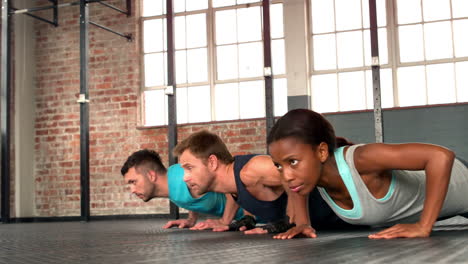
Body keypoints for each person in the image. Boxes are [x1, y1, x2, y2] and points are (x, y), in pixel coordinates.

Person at [267, 108, 468, 239]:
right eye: (278, 165)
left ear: (321, 151)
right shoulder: (303, 179)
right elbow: (294, 184)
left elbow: (441, 157)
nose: (286, 175)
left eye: (293, 161)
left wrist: (424, 226)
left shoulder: (361, 159)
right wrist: (303, 223)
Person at [172, 130, 357, 234]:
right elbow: (241, 193)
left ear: (212, 162)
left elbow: (296, 175)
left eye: (189, 167)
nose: (185, 177)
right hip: (336, 227)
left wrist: (290, 222)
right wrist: (240, 219)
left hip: (353, 214)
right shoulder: (230, 183)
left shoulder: (253, 169)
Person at [121, 149, 245, 229]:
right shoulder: (174, 176)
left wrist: (225, 221)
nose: (132, 190)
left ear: (151, 175)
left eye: (133, 182)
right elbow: (192, 193)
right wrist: (191, 219)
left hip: (258, 217)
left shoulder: (183, 177)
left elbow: (234, 183)